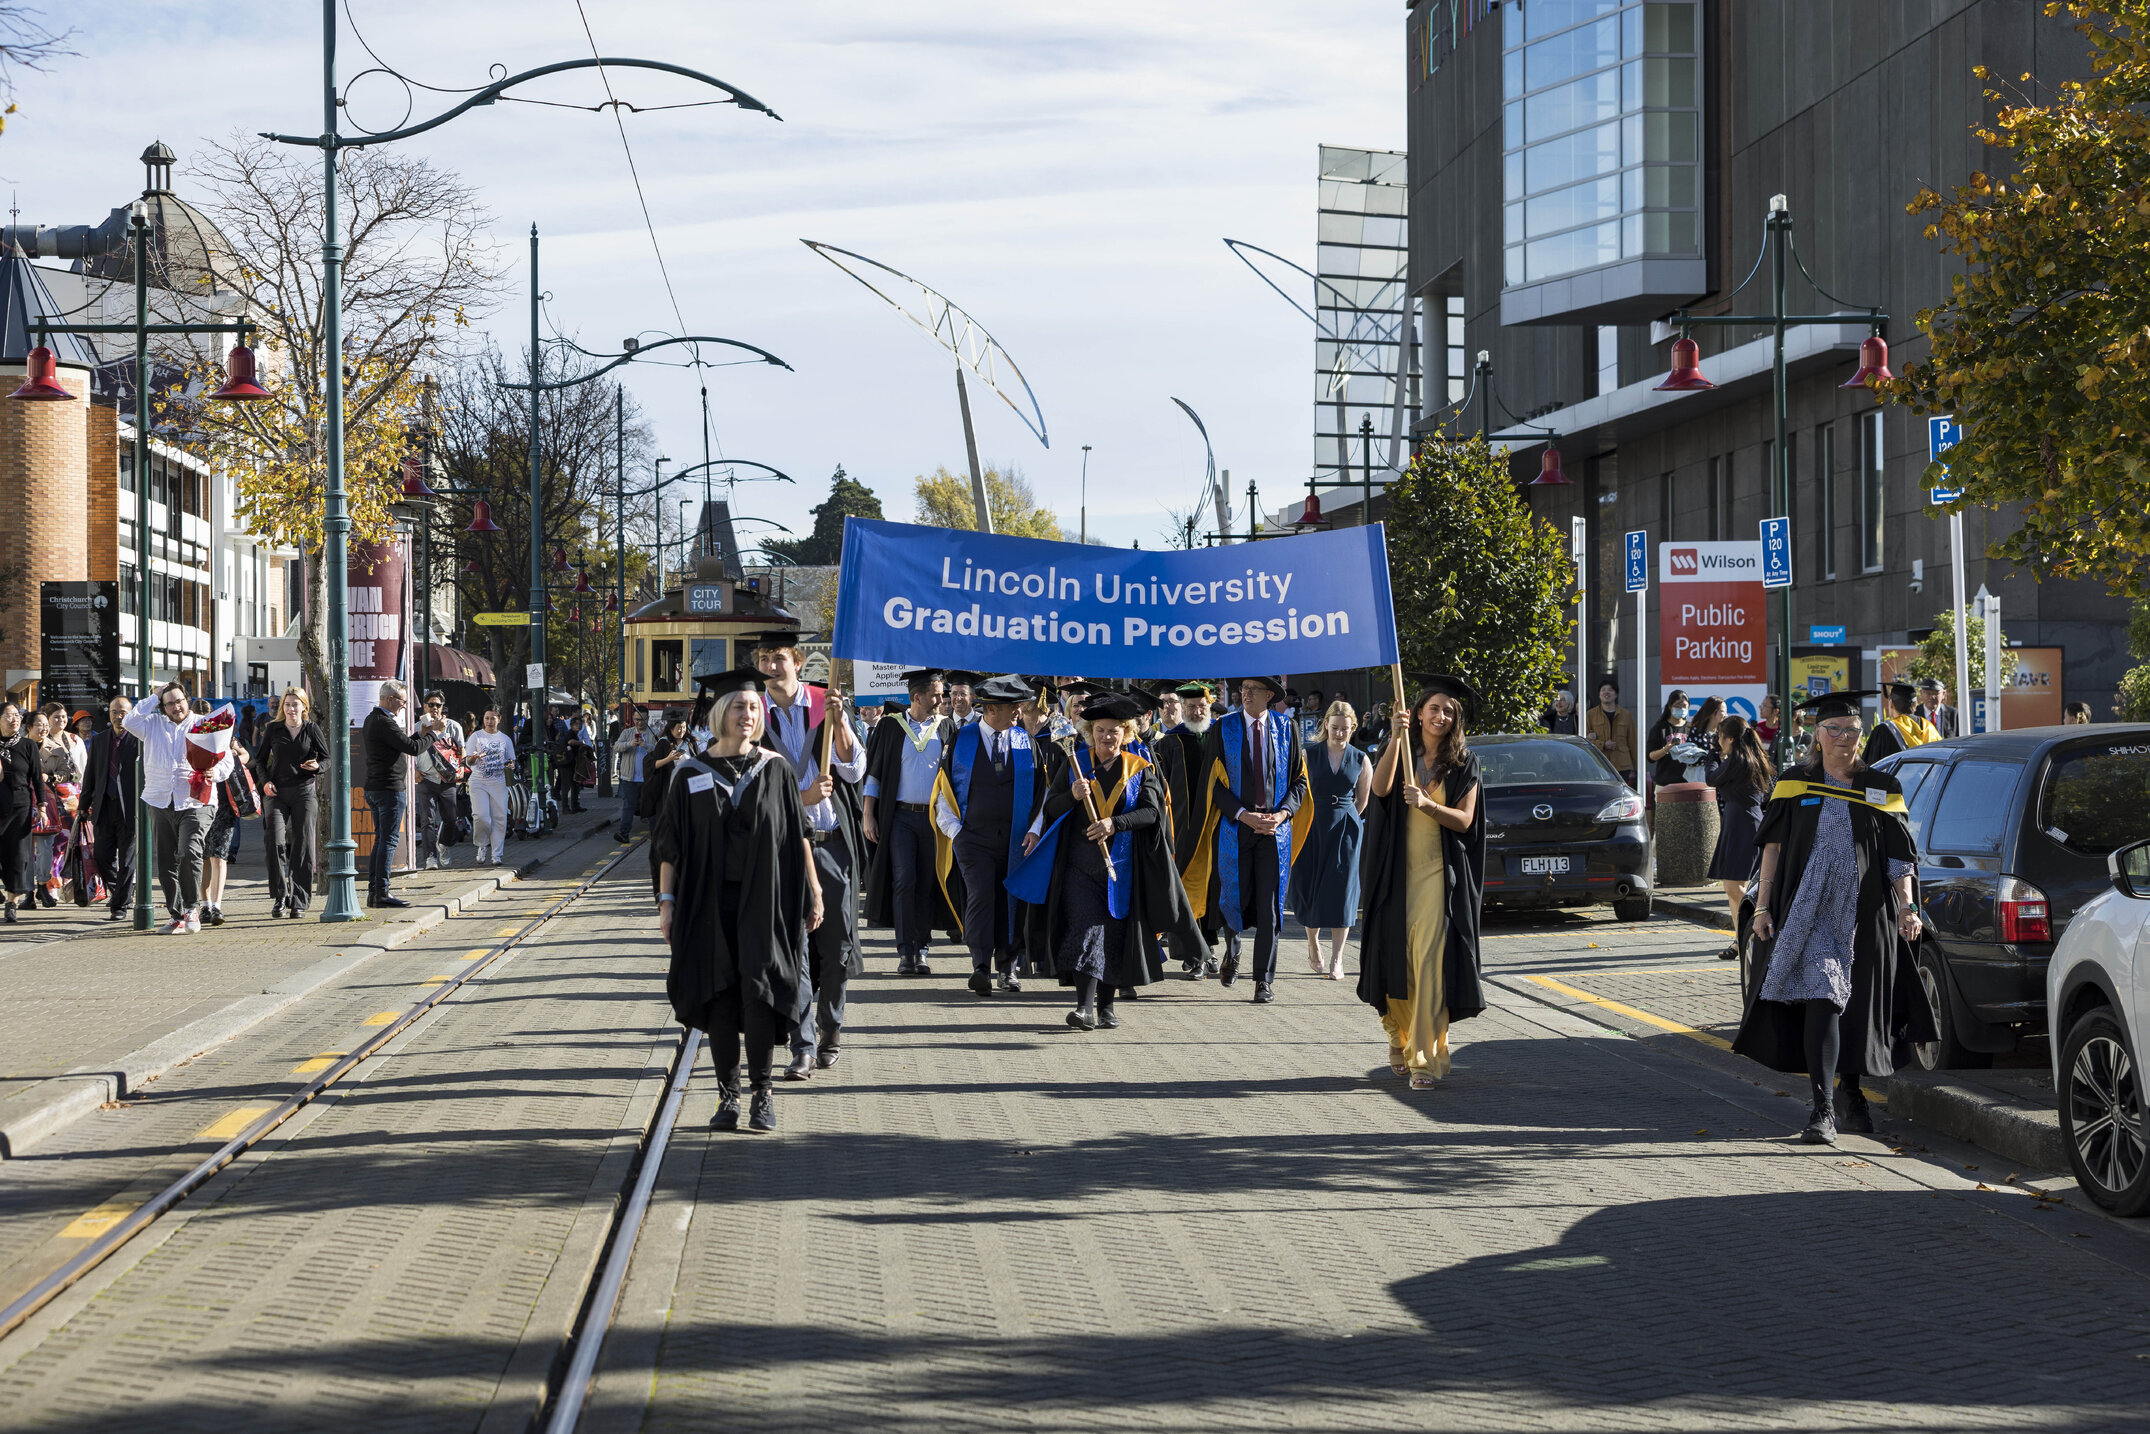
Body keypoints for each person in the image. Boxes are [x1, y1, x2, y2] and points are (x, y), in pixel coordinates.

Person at [1734, 690, 1939, 1144]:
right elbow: (1773, 848)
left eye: (1851, 729)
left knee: (1857, 1002)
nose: (1844, 737)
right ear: (1817, 734)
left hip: (1865, 912)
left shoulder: (1882, 787)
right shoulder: (1794, 783)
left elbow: (1900, 859)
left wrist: (1907, 907)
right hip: (1806, 910)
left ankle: (1851, 1090)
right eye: (1835, 729)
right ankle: (1822, 1108)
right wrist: (1763, 907)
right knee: (1823, 995)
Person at [653, 667, 821, 1134]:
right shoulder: (689, 773)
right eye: (739, 707)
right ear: (720, 712)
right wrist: (666, 902)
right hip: (708, 903)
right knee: (721, 997)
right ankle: (728, 1097)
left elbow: (798, 836)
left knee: (760, 996)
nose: (747, 714)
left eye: (753, 707)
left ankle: (762, 1095)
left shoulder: (776, 769)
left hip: (766, 903)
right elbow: (671, 845)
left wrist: (814, 891)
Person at [1005, 690, 1205, 1030]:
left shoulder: (1140, 768)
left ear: (1125, 734)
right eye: (1099, 730)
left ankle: (1106, 1005)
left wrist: (1115, 823)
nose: (1106, 736)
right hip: (1078, 867)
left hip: (1122, 867)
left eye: (1113, 731)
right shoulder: (1075, 764)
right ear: (1089, 733)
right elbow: (1050, 809)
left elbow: (1152, 814)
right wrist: (1071, 794)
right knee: (1086, 929)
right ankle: (1084, 1008)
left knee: (1114, 934)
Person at [1357, 675, 1487, 1089]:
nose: (1442, 716)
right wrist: (1396, 736)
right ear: (1418, 713)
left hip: (1438, 874)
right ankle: (1398, 1036)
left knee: (1429, 963)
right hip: (1395, 872)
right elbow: (1379, 790)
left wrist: (1429, 805)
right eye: (1434, 708)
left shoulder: (1466, 762)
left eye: (1449, 711)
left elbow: (1465, 821)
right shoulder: (1399, 750)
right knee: (1396, 957)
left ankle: (1425, 1060)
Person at [757, 636, 866, 1077]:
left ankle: (831, 1030)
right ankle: (801, 1045)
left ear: (797, 663)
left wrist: (839, 722)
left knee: (835, 945)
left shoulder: (826, 702)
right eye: (763, 659)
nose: (770, 666)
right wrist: (799, 798)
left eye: (778, 658)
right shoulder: (752, 713)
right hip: (785, 847)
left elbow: (854, 767)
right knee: (795, 947)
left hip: (832, 842)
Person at [1185, 675, 1308, 1004]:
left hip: (1274, 830)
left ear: (1270, 695)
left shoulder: (1286, 729)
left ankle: (1263, 981)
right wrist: (1242, 814)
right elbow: (1214, 783)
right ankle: (1233, 950)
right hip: (1236, 827)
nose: (1246, 694)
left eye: (1254, 690)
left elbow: (1299, 782)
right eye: (1244, 689)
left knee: (1270, 908)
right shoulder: (1224, 728)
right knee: (1232, 899)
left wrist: (1281, 815)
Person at [931, 674, 1050, 998]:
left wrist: (1034, 830)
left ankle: (1008, 967)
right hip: (974, 838)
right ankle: (981, 965)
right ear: (992, 708)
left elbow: (1042, 793)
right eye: (1013, 708)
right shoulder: (961, 739)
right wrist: (957, 832)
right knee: (981, 897)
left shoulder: (1026, 742)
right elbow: (944, 789)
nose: (1019, 713)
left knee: (1012, 900)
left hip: (1016, 838)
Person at [862, 669, 955, 976]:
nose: (941, 700)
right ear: (917, 697)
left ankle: (923, 948)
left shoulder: (947, 727)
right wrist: (868, 814)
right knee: (904, 880)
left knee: (928, 882)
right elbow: (873, 775)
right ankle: (905, 951)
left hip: (933, 819)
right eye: (936, 695)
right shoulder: (890, 726)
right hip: (899, 817)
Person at [124, 682, 228, 935]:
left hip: (195, 801)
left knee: (189, 851)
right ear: (162, 706)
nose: (176, 707)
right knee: (167, 861)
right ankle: (177, 914)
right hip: (159, 799)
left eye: (179, 701)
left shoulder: (204, 724)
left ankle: (192, 907)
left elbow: (228, 762)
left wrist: (216, 772)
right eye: (169, 703)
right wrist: (153, 696)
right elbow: (129, 722)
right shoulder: (152, 724)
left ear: (187, 700)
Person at [1292, 698, 1372, 980]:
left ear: (1353, 729)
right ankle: (1313, 943)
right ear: (1326, 725)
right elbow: (1297, 791)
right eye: (1335, 727)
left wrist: (1346, 817)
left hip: (1346, 829)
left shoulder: (1361, 758)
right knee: (1310, 886)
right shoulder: (1307, 754)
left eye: (1345, 729)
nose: (1340, 733)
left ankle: (1338, 959)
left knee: (1344, 891)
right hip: (1312, 826)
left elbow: (1362, 800)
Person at [1706, 715, 1773, 957]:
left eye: (1720, 737)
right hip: (1740, 822)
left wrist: (1712, 755)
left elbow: (1711, 778)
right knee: (1731, 887)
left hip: (1743, 824)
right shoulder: (1749, 757)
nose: (1718, 741)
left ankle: (1761, 923)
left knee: (1735, 887)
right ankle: (1740, 941)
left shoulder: (1739, 759)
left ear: (1730, 739)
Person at [257, 687, 328, 918]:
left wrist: (318, 767)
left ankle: (299, 901)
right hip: (276, 792)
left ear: (304, 707)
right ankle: (280, 896)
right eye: (287, 705)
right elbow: (259, 760)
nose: (291, 709)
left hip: (304, 792)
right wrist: (265, 782)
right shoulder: (274, 729)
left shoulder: (312, 729)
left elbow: (327, 758)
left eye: (295, 704)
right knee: (274, 842)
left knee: (303, 844)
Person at [362, 679, 426, 909]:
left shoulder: (373, 719)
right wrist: (433, 735)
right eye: (402, 701)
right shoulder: (383, 722)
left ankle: (375, 891)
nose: (404, 706)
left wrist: (421, 733)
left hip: (377, 788)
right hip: (388, 789)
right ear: (390, 699)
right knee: (387, 841)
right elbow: (413, 748)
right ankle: (381, 892)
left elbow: (405, 743)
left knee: (381, 840)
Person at [82, 694, 139, 919]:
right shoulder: (99, 740)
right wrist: (83, 807)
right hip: (104, 807)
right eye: (114, 712)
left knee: (127, 860)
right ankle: (121, 893)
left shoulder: (138, 740)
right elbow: (90, 776)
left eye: (123, 712)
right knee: (102, 856)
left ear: (131, 714)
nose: (118, 717)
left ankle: (120, 906)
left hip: (130, 809)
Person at [199, 735, 255, 926]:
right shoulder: (192, 738)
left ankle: (216, 906)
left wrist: (231, 756)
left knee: (219, 856)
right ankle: (204, 905)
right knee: (203, 857)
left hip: (225, 804)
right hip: (201, 802)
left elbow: (245, 755)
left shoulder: (226, 738)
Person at [0, 701, 45, 924]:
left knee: (18, 857)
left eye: (17, 715)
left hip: (20, 807)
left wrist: (42, 807)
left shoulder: (28, 746)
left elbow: (37, 780)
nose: (14, 719)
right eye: (9, 715)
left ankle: (11, 903)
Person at [412, 691, 466, 872]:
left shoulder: (453, 726)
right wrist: (414, 771)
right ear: (425, 706)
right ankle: (430, 858)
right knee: (427, 821)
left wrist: (460, 769)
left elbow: (461, 751)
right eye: (430, 704)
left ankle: (443, 844)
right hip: (426, 779)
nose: (434, 708)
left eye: (438, 705)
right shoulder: (416, 727)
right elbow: (409, 750)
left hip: (447, 780)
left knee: (451, 819)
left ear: (443, 708)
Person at [33, 707, 82, 907]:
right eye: (55, 718)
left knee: (58, 845)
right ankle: (37, 887)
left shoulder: (71, 741)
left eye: (63, 716)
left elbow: (76, 771)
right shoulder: (25, 745)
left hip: (62, 801)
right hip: (30, 800)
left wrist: (52, 777)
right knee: (35, 847)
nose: (60, 720)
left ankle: (51, 883)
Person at [465, 708, 516, 866]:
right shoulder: (476, 736)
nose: (489, 721)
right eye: (487, 718)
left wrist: (511, 765)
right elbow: (468, 761)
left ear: (499, 719)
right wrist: (474, 757)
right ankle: (482, 844)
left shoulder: (505, 739)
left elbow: (511, 760)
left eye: (492, 718)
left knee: (500, 818)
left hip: (499, 782)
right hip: (479, 781)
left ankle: (497, 854)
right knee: (481, 817)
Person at [1860, 682, 1940, 766]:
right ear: (1915, 705)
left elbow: (1870, 767)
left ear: (1891, 704)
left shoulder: (1883, 731)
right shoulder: (1930, 728)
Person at [1587, 681, 1637, 786]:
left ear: (1616, 694)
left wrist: (1638, 768)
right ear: (1599, 694)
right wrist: (1603, 744)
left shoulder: (1626, 715)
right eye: (1603, 690)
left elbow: (1633, 742)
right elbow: (1585, 742)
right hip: (1598, 765)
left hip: (1622, 765)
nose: (1606, 693)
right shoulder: (1590, 715)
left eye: (1610, 690)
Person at [614, 698, 651, 842]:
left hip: (647, 777)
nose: (639, 723)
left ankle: (656, 832)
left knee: (650, 806)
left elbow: (659, 750)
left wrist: (646, 745)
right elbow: (616, 746)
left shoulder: (652, 734)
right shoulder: (627, 733)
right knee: (628, 806)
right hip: (629, 777)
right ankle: (624, 833)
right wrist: (629, 744)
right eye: (636, 719)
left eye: (642, 719)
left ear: (647, 719)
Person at [1647, 690, 1694, 790]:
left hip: (1689, 784)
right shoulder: (1660, 728)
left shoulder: (1692, 728)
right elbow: (1650, 757)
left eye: (1684, 706)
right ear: (1670, 707)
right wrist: (1666, 748)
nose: (1681, 708)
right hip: (1665, 784)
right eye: (1677, 705)